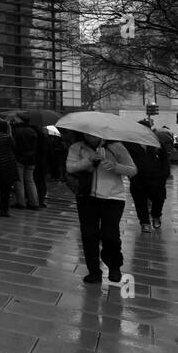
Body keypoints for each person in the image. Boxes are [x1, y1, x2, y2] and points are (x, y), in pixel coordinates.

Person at [66, 131, 137, 285]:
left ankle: (114, 265)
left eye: (94, 134)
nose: (91, 137)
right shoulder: (77, 148)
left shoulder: (116, 147)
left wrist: (115, 166)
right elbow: (70, 168)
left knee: (110, 235)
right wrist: (89, 161)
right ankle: (94, 271)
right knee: (89, 235)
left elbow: (132, 169)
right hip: (86, 197)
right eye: (88, 134)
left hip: (113, 198)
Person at [125, 122, 169, 234]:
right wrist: (130, 173)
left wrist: (164, 174)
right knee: (140, 201)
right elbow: (124, 159)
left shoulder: (155, 142)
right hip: (137, 177)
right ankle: (144, 222)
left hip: (156, 177)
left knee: (159, 198)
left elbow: (164, 158)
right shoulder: (129, 144)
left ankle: (156, 215)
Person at [10, 116, 40, 210]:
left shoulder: (16, 131)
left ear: (21, 120)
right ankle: (34, 203)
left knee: (19, 181)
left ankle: (21, 202)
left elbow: (13, 145)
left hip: (19, 158)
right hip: (31, 159)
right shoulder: (33, 131)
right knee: (30, 180)